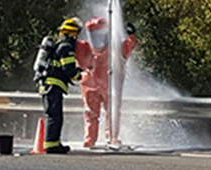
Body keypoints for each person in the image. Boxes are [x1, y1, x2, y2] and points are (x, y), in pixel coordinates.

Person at [75, 16, 137, 147]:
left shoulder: (115, 48)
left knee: (112, 112)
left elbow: (128, 46)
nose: (97, 38)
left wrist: (131, 35)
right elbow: (69, 45)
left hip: (108, 84)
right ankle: (90, 139)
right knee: (90, 113)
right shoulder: (84, 47)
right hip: (91, 84)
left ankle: (112, 137)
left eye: (100, 34)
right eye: (94, 34)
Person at [36, 17, 83, 154]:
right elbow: (68, 69)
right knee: (54, 116)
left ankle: (54, 143)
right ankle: (51, 145)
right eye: (76, 34)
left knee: (55, 115)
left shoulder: (58, 45)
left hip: (49, 85)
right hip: (53, 86)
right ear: (72, 34)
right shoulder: (66, 47)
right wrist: (79, 76)